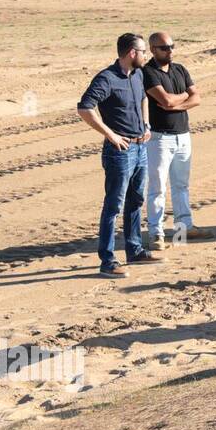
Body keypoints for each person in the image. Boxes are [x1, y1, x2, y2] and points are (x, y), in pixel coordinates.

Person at [76, 33, 165, 277]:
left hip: (140, 147)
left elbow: (144, 99)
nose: (147, 55)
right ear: (132, 53)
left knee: (136, 200)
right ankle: (107, 261)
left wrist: (146, 125)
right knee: (113, 206)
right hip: (119, 152)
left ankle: (134, 251)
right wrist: (110, 135)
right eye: (143, 51)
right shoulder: (106, 78)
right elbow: (84, 108)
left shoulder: (137, 74)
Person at [141, 31, 212, 247]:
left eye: (172, 46)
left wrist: (179, 100)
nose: (170, 50)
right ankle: (156, 233)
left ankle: (185, 227)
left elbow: (196, 97)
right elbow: (165, 100)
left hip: (183, 135)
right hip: (159, 138)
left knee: (181, 185)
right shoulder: (148, 73)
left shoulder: (180, 69)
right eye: (164, 47)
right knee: (157, 187)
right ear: (153, 50)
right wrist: (183, 96)